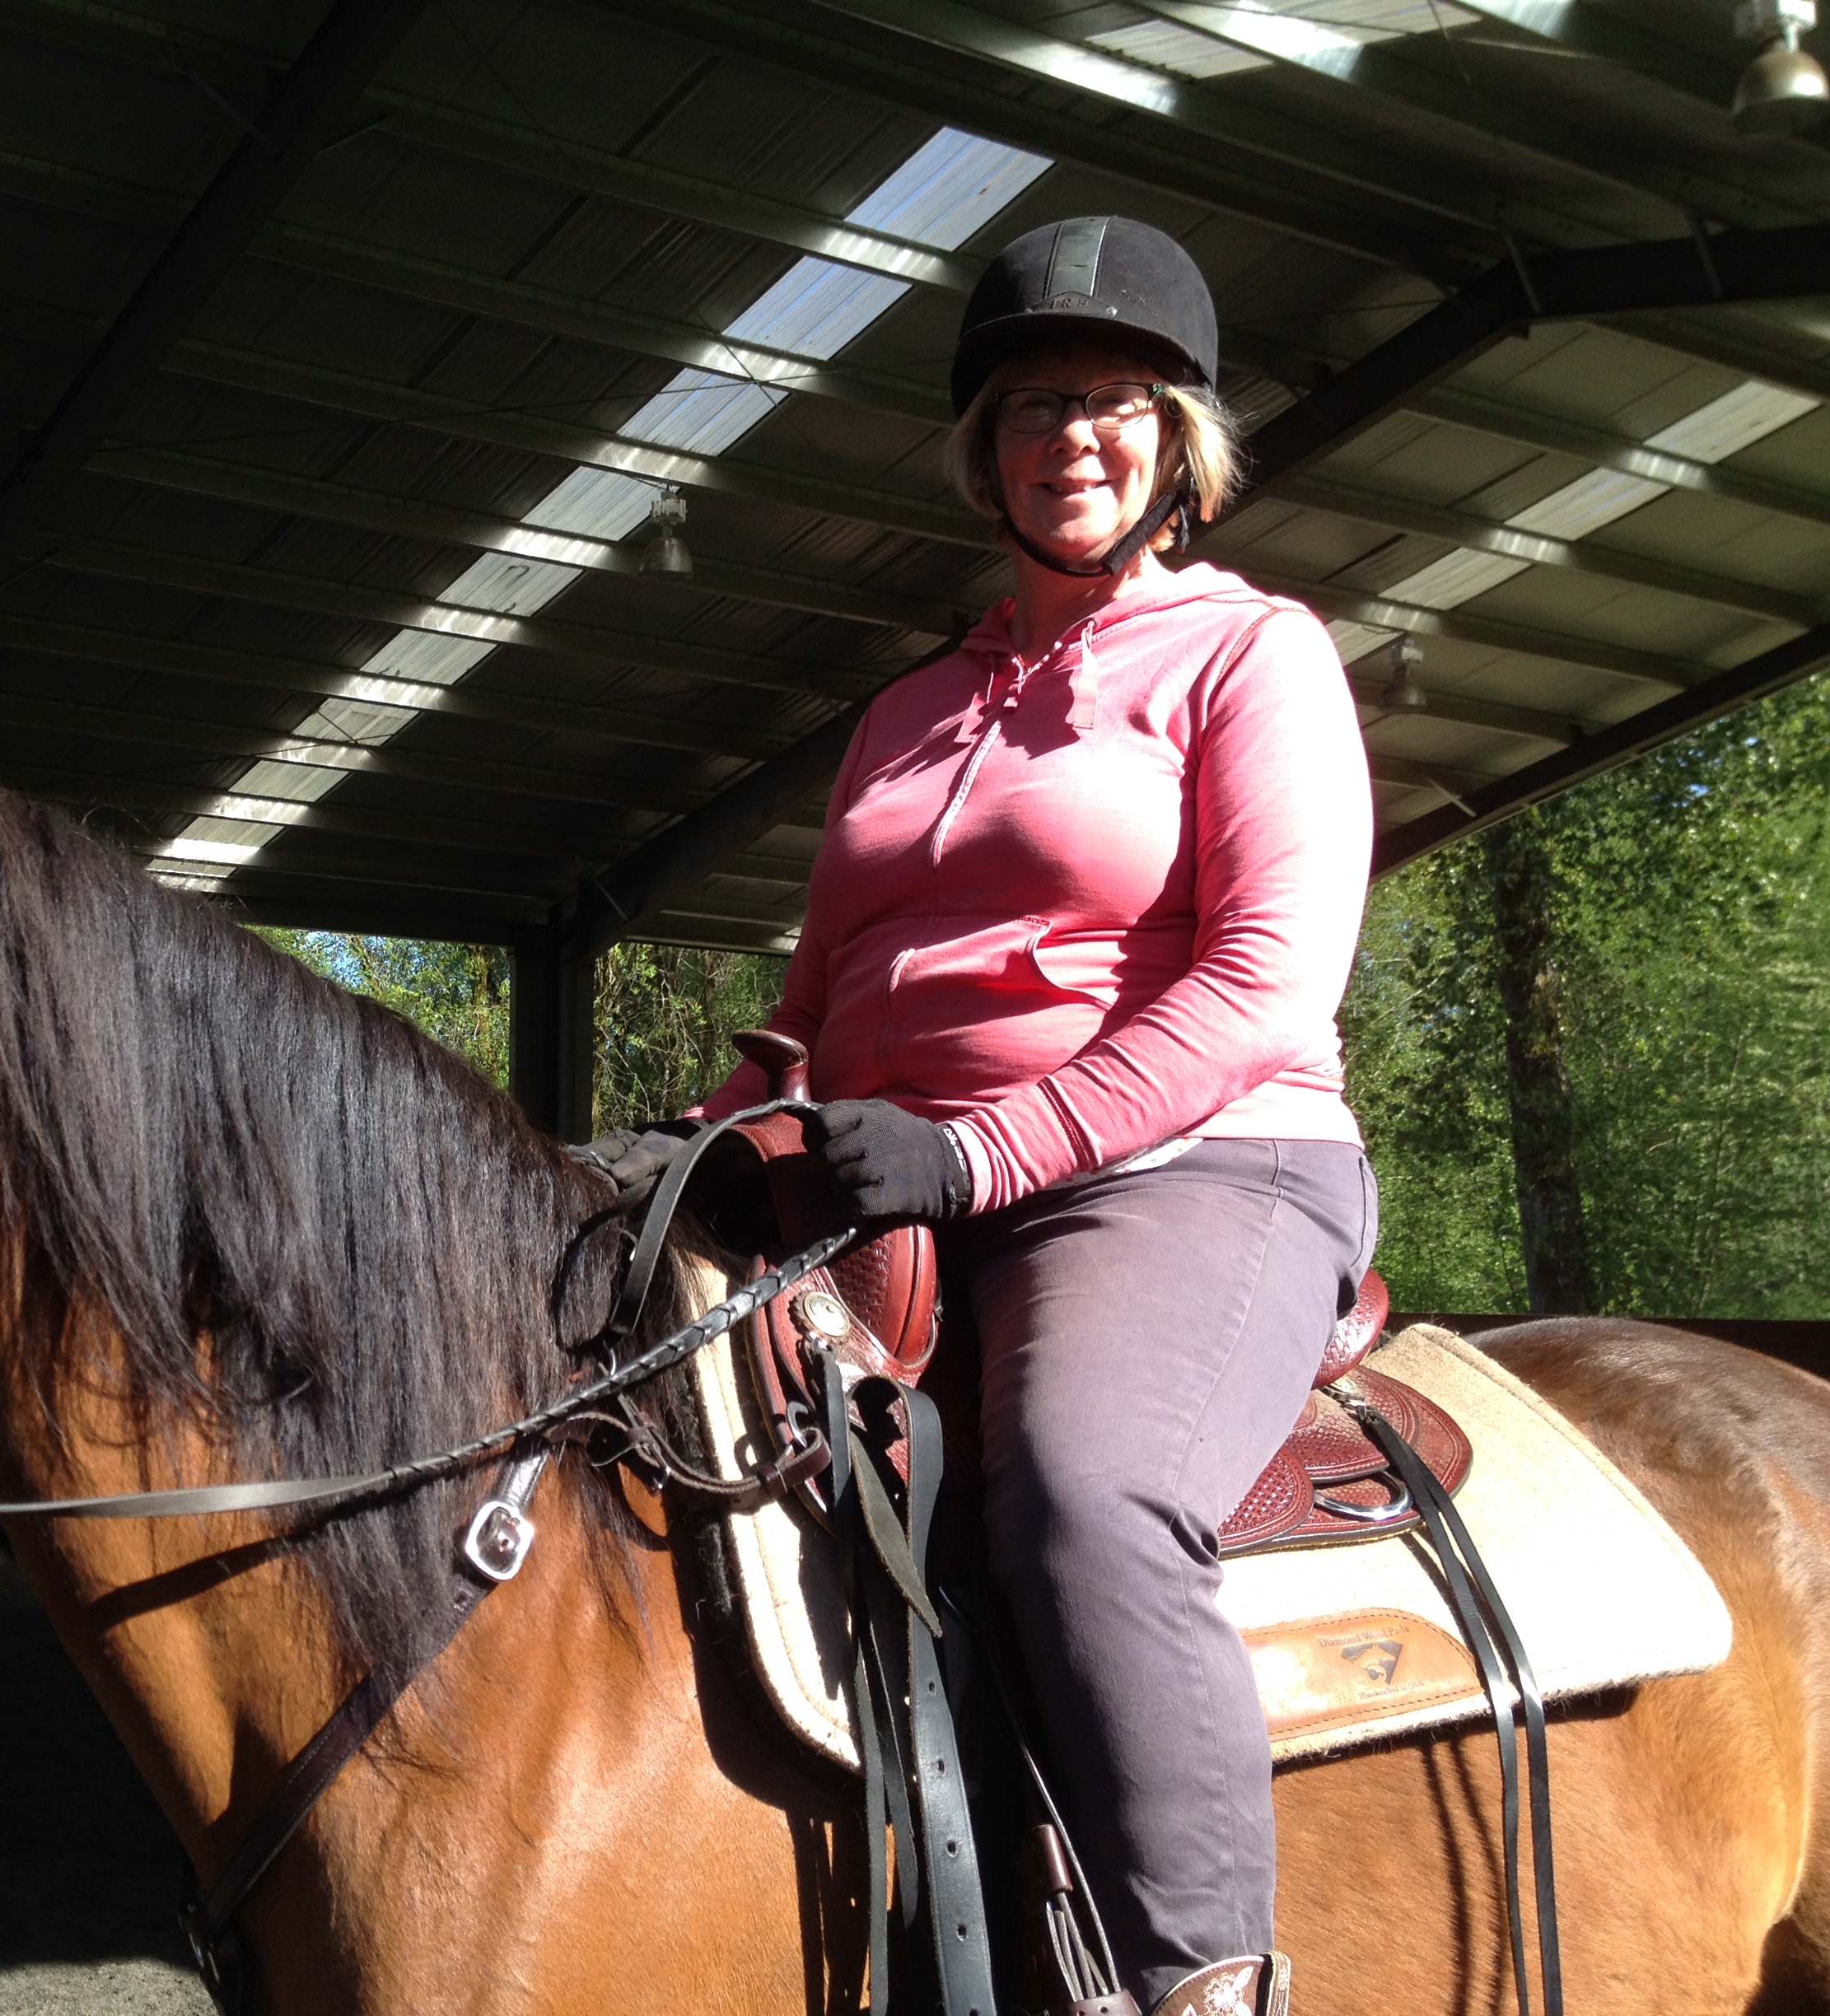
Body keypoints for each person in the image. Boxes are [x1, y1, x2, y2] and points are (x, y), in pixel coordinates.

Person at [598, 216, 1374, 2016]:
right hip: (897, 1182)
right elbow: (806, 1013)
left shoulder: (1251, 658)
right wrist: (679, 1144)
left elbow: (1263, 980)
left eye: (1109, 402)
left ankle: (1202, 1982)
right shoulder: (905, 713)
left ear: (1177, 439)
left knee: (1082, 1496)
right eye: (1032, 407)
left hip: (1198, 1166)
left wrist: (983, 1151)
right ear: (984, 453)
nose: (1070, 439)